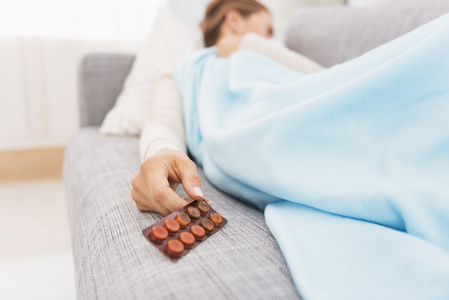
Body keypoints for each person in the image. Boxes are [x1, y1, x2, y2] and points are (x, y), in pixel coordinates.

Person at [131, 0, 323, 215]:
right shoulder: (184, 70)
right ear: (234, 20)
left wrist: (250, 43)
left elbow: (328, 81)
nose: (272, 39)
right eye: (268, 29)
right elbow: (163, 122)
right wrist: (160, 152)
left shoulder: (268, 50)